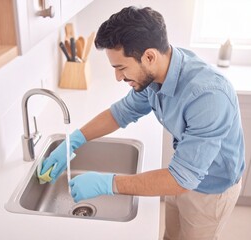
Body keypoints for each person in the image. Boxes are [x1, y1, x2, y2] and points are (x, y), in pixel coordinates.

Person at [41, 6, 245, 240]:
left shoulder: (208, 96)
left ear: (149, 56)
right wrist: (73, 141)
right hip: (180, 173)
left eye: (121, 68)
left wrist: (108, 183)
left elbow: (181, 179)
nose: (118, 77)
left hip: (211, 191)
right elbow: (121, 113)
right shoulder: (155, 73)